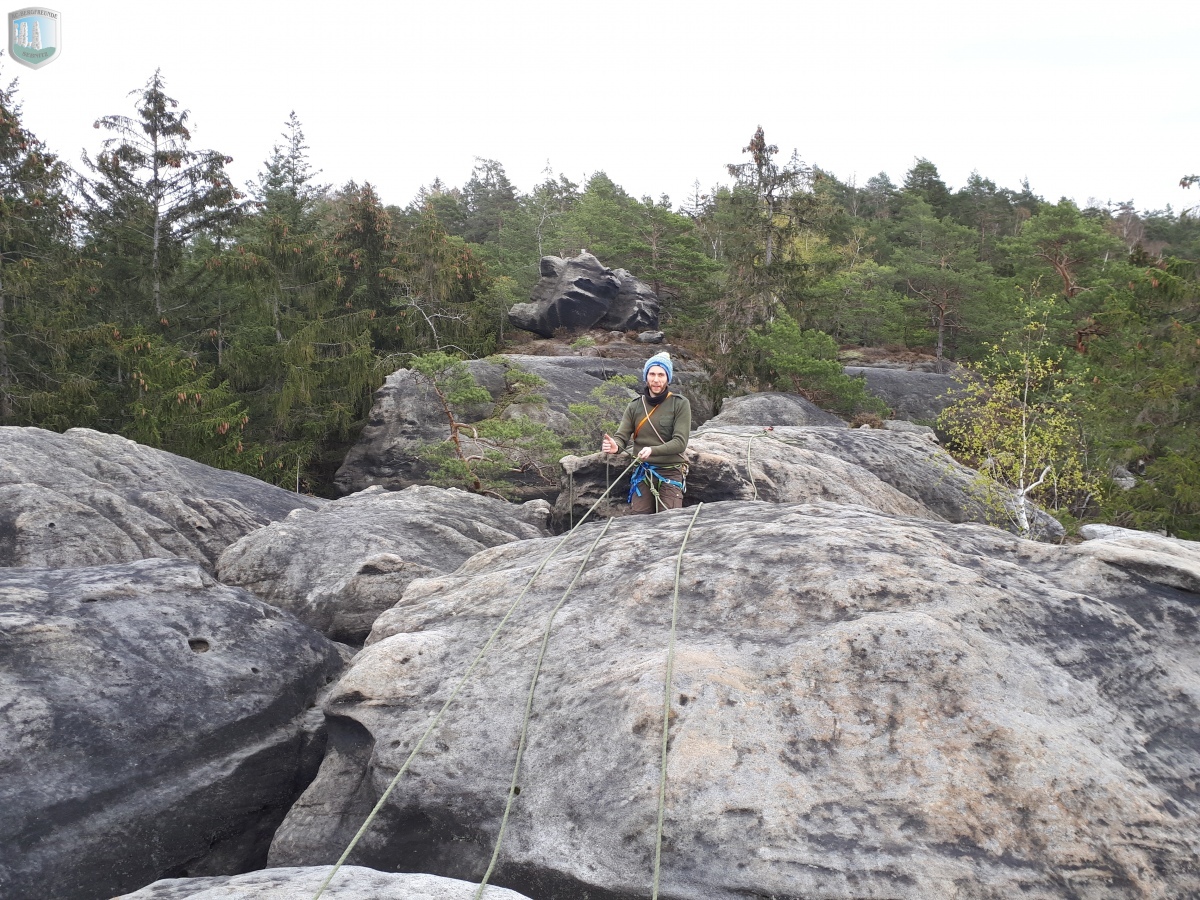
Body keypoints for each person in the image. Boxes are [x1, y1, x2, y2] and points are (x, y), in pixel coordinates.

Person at [601, 352, 691, 514]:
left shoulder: (679, 404)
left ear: (668, 378)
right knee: (639, 520)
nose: (656, 379)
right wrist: (616, 446)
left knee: (670, 520)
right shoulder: (635, 406)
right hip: (643, 471)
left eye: (661, 375)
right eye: (652, 374)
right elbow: (621, 436)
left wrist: (652, 450)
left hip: (670, 471)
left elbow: (680, 442)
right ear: (646, 377)